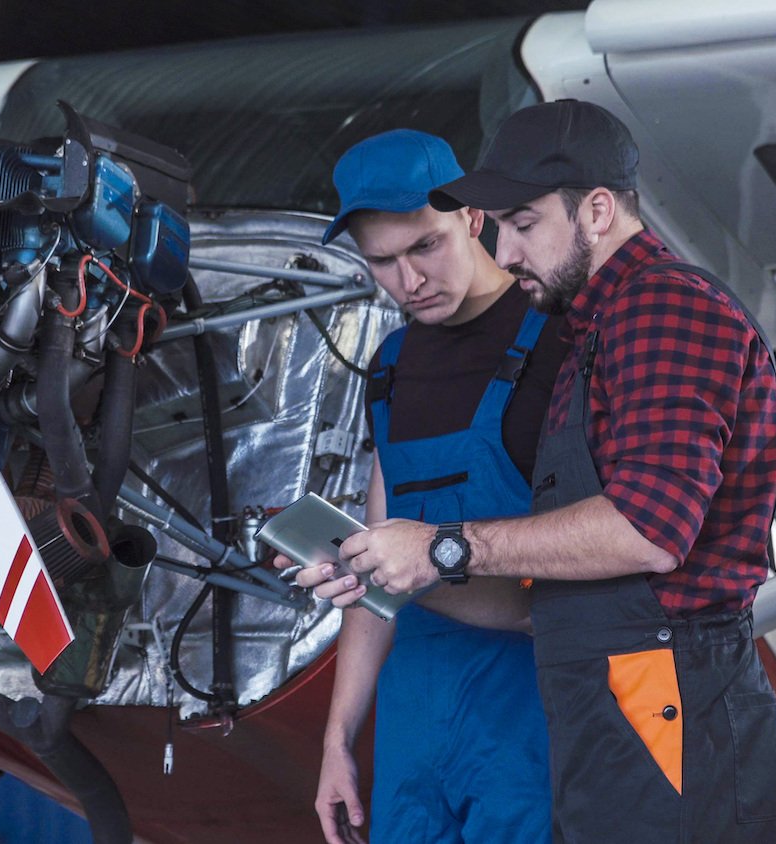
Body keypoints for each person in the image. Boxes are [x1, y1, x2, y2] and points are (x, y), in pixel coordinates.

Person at [308, 101, 776, 843]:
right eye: (382, 261)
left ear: (597, 210)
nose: (506, 251)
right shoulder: (596, 329)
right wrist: (376, 578)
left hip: (635, 698)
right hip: (586, 704)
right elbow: (532, 591)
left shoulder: (655, 312)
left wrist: (438, 550)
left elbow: (645, 531)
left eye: (523, 225)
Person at [282, 129, 566, 844]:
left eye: (425, 247)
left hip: (532, 719)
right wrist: (337, 741)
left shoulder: (561, 342)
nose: (409, 281)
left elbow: (573, 577)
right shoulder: (391, 364)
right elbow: (378, 574)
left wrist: (404, 565)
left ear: (474, 217)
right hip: (413, 729)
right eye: (382, 261)